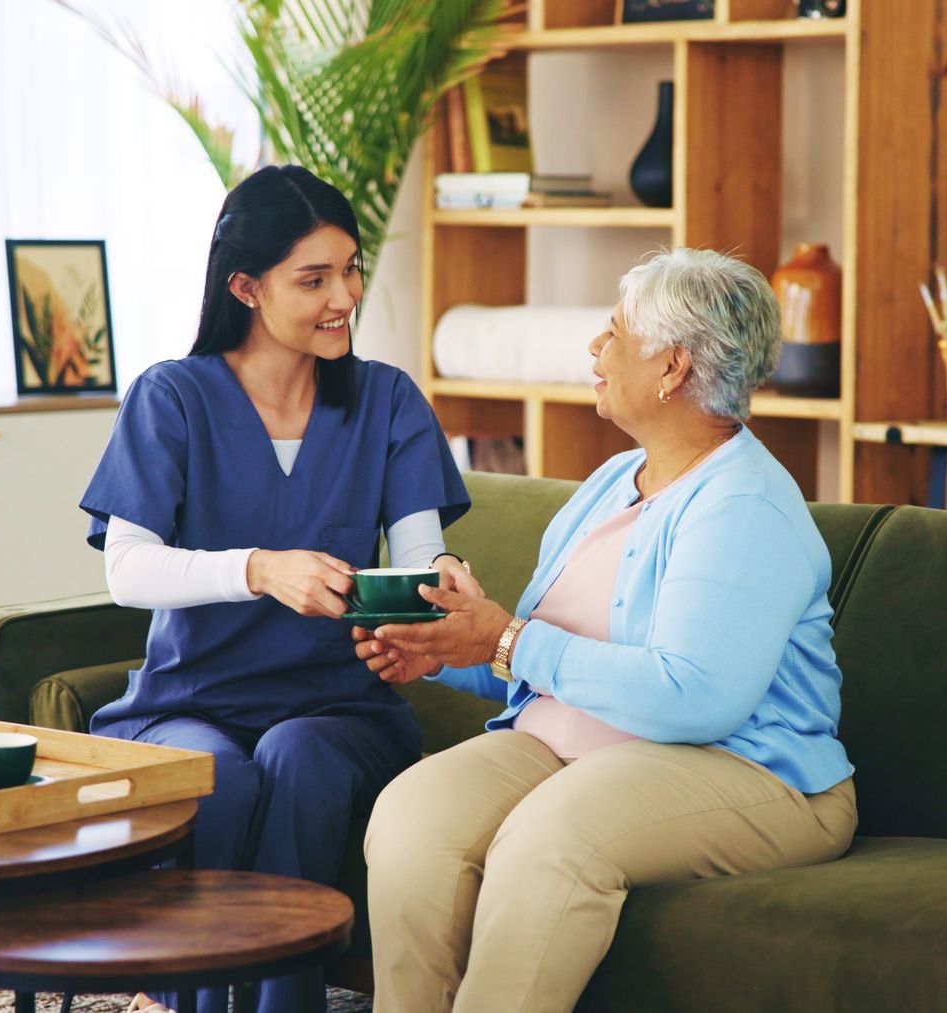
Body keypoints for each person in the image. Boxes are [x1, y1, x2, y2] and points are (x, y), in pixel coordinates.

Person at [355, 247, 858, 1012]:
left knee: (550, 839)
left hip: (749, 770)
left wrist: (507, 638)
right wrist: (443, 649)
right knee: (413, 815)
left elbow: (694, 698)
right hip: (568, 747)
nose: (596, 348)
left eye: (616, 333)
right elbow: (535, 654)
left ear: (672, 368)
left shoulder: (743, 505)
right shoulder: (610, 482)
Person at [79, 164, 474, 1013]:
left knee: (296, 757)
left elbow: (418, 558)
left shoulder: (388, 401)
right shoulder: (171, 397)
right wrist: (258, 567)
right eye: (315, 278)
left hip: (340, 710)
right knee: (215, 776)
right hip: (192, 700)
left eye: (352, 269)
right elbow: (127, 570)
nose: (346, 296)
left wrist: (436, 596)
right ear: (246, 287)